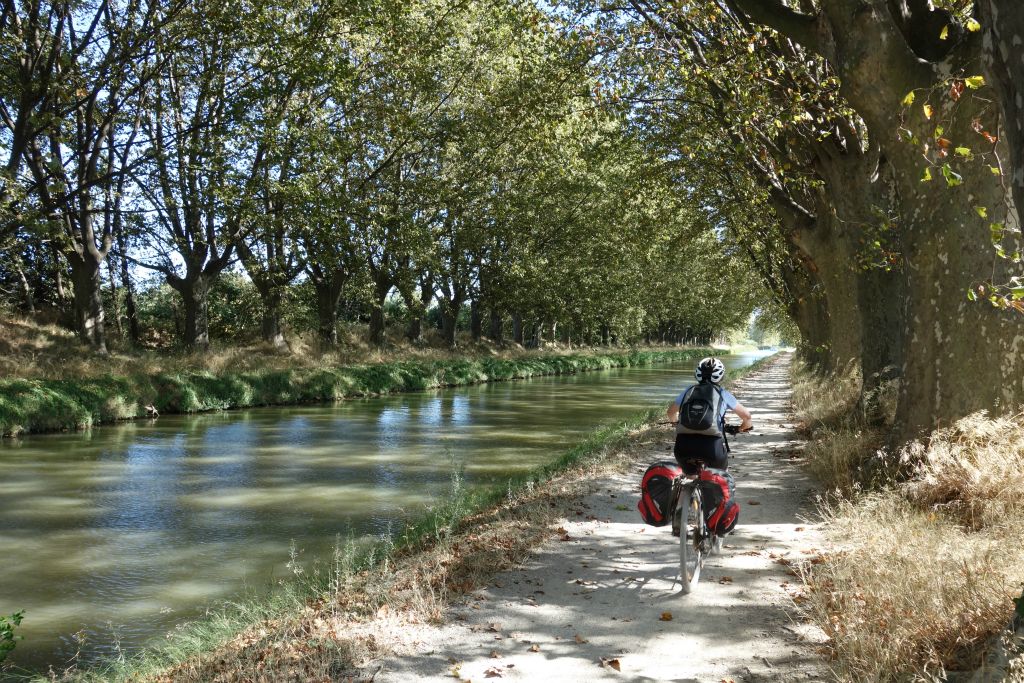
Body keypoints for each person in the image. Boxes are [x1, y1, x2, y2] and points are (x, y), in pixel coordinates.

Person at [666, 357, 753, 497]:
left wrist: (676, 423)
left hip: (683, 445)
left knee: (689, 476)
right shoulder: (722, 393)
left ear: (697, 374)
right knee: (721, 477)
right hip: (712, 448)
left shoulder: (689, 390)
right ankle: (716, 511)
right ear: (721, 376)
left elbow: (670, 412)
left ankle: (681, 507)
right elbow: (747, 416)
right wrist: (742, 428)